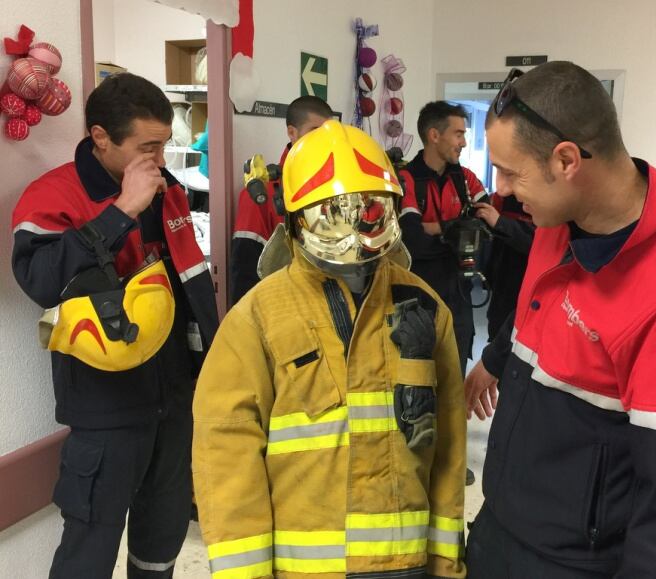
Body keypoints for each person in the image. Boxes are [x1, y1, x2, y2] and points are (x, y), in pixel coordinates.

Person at [464, 61, 656, 578]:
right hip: (504, 529)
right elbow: (539, 303)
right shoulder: (559, 220)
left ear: (567, 160)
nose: (501, 189)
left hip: (576, 563)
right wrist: (494, 358)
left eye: (511, 171)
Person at [192, 120, 467, 579]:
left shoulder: (425, 307)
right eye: (335, 213)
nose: (356, 227)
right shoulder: (256, 319)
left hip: (406, 564)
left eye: (370, 210)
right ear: (296, 220)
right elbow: (226, 455)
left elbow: (450, 445)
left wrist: (444, 563)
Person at [11, 73, 219, 578]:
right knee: (89, 551)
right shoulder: (53, 195)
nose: (160, 158)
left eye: (165, 145)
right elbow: (42, 281)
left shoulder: (166, 191)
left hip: (174, 398)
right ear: (101, 137)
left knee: (162, 541)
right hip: (106, 407)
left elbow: (188, 286)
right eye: (147, 146)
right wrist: (122, 209)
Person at [398, 101, 488, 377]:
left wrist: (435, 229)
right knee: (415, 382)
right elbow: (412, 240)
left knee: (454, 381)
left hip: (459, 298)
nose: (463, 142)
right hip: (416, 300)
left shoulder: (466, 179)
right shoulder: (406, 178)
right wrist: (454, 230)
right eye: (458, 134)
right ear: (434, 136)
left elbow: (486, 227)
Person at [229, 95, 333, 304]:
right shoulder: (260, 193)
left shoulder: (336, 186)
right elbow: (244, 272)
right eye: (314, 132)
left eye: (327, 134)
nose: (322, 140)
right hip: (281, 310)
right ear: (292, 132)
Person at [474, 194, 534, 341]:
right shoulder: (504, 197)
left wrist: (501, 222)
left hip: (528, 287)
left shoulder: (548, 199)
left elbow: (538, 243)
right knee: (497, 331)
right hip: (502, 286)